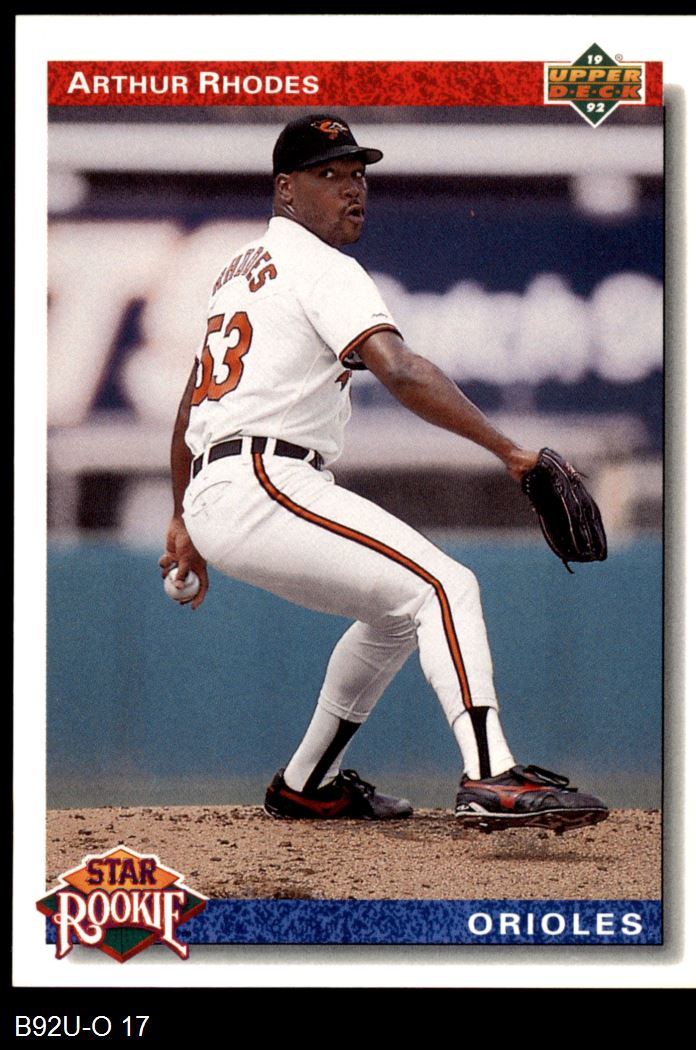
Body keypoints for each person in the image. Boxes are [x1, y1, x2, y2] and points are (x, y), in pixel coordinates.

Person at [159, 113, 608, 833]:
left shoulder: (237, 269)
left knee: (396, 613)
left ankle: (307, 782)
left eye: (357, 174)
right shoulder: (322, 265)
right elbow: (399, 370)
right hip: (264, 481)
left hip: (229, 485)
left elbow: (190, 405)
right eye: (328, 175)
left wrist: (184, 516)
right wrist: (510, 452)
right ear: (285, 189)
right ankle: (491, 774)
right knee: (446, 586)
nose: (352, 189)